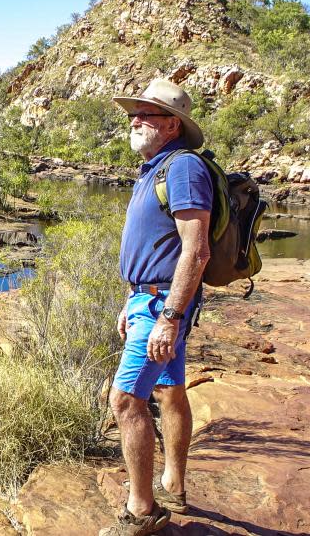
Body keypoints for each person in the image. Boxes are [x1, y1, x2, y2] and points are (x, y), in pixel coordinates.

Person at [99, 79, 212, 536]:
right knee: (169, 391)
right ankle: (173, 485)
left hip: (164, 305)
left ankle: (141, 512)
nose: (136, 121)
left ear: (173, 125)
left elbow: (196, 250)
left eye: (147, 114)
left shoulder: (183, 169)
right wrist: (134, 298)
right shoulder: (156, 169)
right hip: (149, 299)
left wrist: (169, 317)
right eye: (133, 114)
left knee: (126, 399)